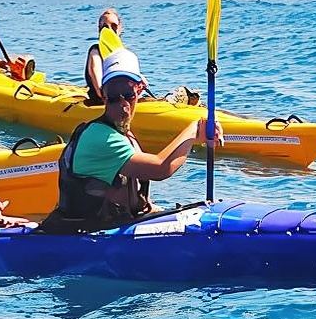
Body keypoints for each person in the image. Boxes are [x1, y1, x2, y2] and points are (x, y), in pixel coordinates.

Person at [40, 48, 224, 233]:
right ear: (103, 94)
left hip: (109, 231)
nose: (122, 105)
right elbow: (160, 168)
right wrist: (194, 130)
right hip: (76, 238)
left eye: (128, 94)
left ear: (140, 89)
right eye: (113, 96)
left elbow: (138, 199)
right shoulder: (100, 137)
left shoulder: (126, 136)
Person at [84, 8, 124, 105]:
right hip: (102, 102)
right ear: (99, 30)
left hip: (123, 98)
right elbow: (98, 82)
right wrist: (106, 97)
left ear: (120, 28)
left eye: (114, 26)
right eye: (105, 27)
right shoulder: (95, 51)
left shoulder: (123, 53)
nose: (109, 30)